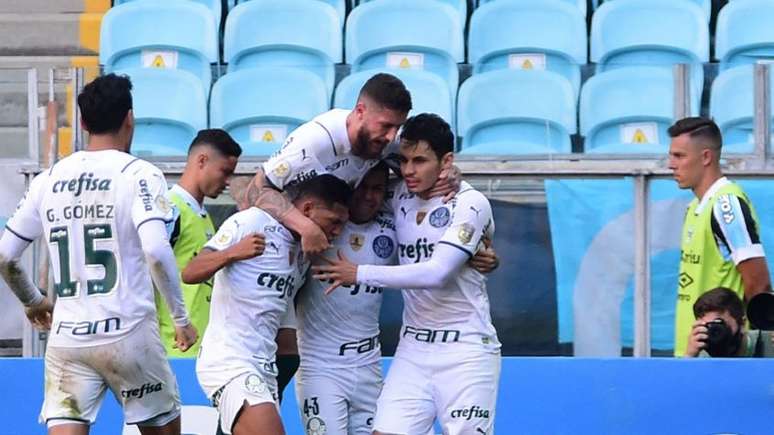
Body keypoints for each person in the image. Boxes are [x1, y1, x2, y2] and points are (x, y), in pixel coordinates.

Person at [0, 73, 197, 434]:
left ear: (83, 122)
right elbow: (155, 249)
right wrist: (181, 319)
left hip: (69, 338)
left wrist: (33, 300)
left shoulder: (49, 179)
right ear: (130, 118)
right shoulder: (139, 174)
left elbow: (5, 256)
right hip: (129, 333)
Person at [314, 114, 501, 435]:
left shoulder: (469, 203)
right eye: (403, 161)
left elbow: (437, 273)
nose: (409, 171)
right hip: (413, 349)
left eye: (420, 161)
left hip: (465, 349)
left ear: (447, 161)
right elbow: (360, 171)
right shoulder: (398, 194)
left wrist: (358, 273)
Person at [186, 174, 352, 435]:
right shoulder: (252, 222)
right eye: (334, 222)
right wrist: (232, 253)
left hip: (266, 368)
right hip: (229, 361)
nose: (338, 231)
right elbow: (190, 272)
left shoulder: (303, 254)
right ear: (307, 209)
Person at [667, 117, 772, 357]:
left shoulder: (726, 206)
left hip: (723, 357)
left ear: (706, 157)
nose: (671, 164)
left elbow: (759, 284)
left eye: (679, 156)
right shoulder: (695, 207)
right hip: (698, 352)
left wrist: (751, 351)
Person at [156, 129, 251, 357]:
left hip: (203, 347)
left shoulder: (203, 215)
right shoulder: (170, 210)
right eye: (225, 172)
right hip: (174, 348)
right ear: (202, 160)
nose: (228, 182)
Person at [685, 287, 774, 357]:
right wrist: (689, 357)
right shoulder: (701, 356)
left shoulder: (769, 344)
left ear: (742, 323)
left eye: (719, 325)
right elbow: (682, 379)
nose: (715, 334)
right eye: (708, 327)